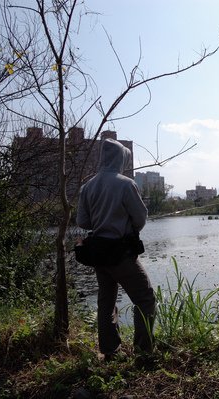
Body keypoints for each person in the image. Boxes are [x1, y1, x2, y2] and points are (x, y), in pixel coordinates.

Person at [76, 138, 155, 360]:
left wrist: (102, 220)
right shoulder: (126, 184)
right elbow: (140, 218)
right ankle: (143, 352)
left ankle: (110, 352)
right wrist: (126, 225)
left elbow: (83, 221)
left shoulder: (87, 186)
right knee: (145, 298)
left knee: (106, 302)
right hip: (121, 254)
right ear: (121, 158)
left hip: (99, 254)